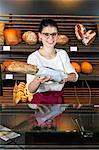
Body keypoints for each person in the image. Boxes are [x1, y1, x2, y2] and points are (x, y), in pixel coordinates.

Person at [26, 18, 78, 104]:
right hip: (40, 101)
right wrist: (38, 80)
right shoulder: (33, 57)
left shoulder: (62, 54)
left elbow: (75, 77)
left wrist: (64, 77)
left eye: (54, 34)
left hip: (58, 100)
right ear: (40, 36)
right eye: (46, 34)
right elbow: (30, 89)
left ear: (57, 36)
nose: (50, 38)